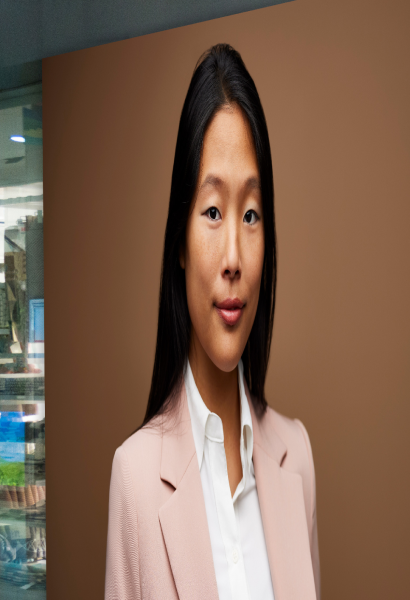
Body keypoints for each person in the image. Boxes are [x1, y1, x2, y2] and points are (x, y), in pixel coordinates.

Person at [105, 44, 318, 600]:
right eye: (212, 212)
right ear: (179, 239)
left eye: (250, 214)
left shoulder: (296, 455)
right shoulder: (134, 477)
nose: (233, 257)